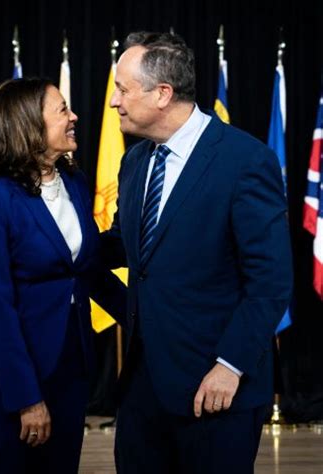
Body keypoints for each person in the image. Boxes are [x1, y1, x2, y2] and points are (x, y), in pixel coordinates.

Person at [102, 32, 293, 474]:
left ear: (162, 94)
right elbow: (127, 247)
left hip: (216, 389)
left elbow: (270, 281)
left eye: (123, 89)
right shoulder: (134, 161)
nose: (114, 102)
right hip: (143, 391)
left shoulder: (245, 160)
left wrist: (230, 366)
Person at [0, 78, 125, 474]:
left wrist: (147, 319)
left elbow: (86, 269)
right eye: (62, 110)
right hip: (9, 368)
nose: (74, 116)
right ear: (29, 124)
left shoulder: (74, 182)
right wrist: (26, 399)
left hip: (70, 361)